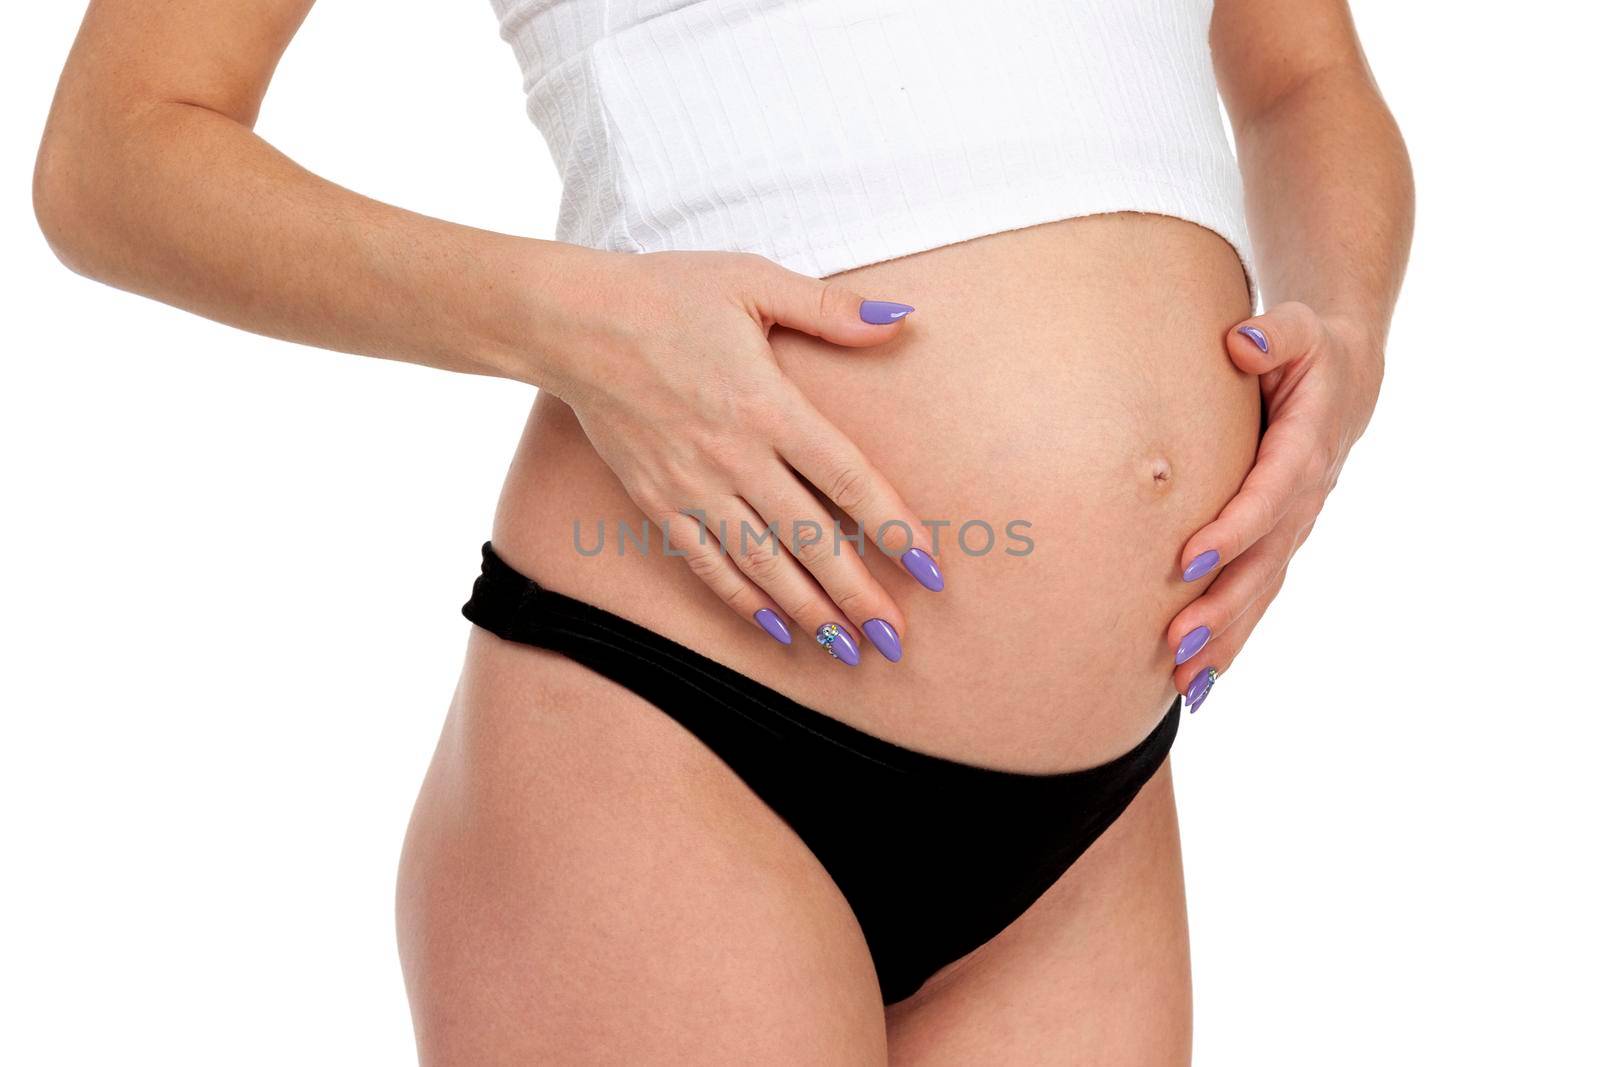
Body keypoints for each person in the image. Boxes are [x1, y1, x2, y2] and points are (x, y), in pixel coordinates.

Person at [33, 0, 1413, 1061]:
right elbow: (116, 153)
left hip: (1094, 815)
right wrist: (567, 318)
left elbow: (1303, 78)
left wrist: (1344, 334)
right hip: (682, 738)